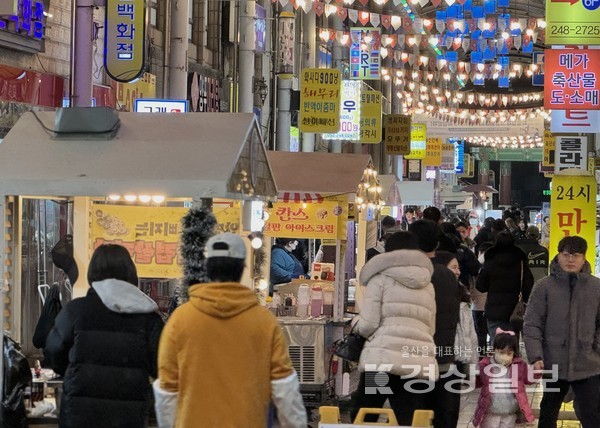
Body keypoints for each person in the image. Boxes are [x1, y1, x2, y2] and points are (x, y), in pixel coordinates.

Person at [153, 233, 306, 428]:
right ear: (243, 267)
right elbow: (284, 387)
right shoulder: (264, 322)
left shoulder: (180, 320)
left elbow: (167, 390)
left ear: (206, 267)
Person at [44, 244, 164, 428]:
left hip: (79, 416)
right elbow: (161, 367)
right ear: (131, 272)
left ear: (92, 273)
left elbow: (53, 353)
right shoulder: (149, 318)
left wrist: (75, 369)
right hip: (128, 417)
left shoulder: (76, 311)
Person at [351, 231, 437, 426]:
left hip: (381, 362)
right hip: (414, 361)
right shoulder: (427, 284)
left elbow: (368, 324)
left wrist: (356, 324)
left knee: (365, 415)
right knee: (410, 418)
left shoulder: (379, 279)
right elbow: (430, 328)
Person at [524, 236, 600, 428]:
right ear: (558, 256)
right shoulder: (544, 286)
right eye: (565, 254)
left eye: (575, 255)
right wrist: (536, 356)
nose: (570, 260)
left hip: (588, 363)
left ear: (584, 258)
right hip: (553, 361)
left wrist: (596, 349)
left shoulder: (596, 287)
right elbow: (532, 322)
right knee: (548, 411)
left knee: (592, 413)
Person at [409, 220, 462, 428]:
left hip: (412, 361)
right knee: (444, 418)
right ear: (437, 244)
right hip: (444, 358)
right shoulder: (448, 276)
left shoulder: (409, 274)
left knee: (415, 419)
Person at [472, 329, 538, 428]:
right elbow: (476, 382)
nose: (505, 356)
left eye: (509, 353)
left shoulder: (519, 366)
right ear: (494, 350)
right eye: (501, 352)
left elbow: (528, 379)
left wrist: (537, 371)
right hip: (490, 411)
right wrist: (471, 375)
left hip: (510, 412)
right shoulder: (485, 365)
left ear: (514, 353)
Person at [476, 231, 534, 344]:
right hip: (515, 312)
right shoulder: (520, 262)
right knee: (511, 347)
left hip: (494, 311)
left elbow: (481, 286)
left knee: (496, 344)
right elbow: (528, 286)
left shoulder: (490, 260)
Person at [435, 251, 479, 371]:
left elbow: (471, 333)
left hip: (461, 358)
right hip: (440, 358)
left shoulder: (461, 291)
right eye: (454, 267)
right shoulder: (432, 294)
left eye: (458, 268)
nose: (458, 272)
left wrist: (473, 366)